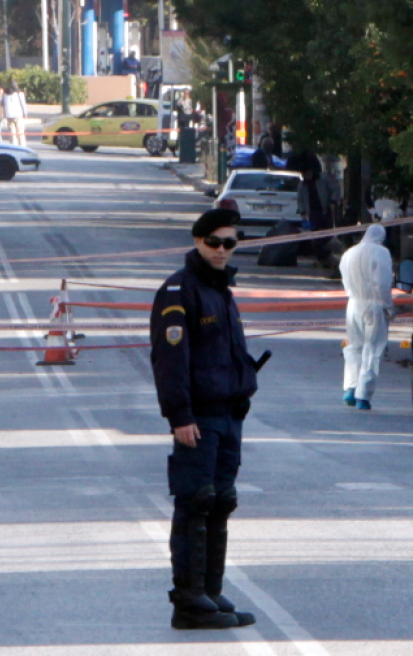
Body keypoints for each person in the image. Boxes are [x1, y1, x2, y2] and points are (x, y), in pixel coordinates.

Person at [150, 209, 260, 630]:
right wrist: (179, 415)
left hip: (229, 414)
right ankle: (189, 601)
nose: (221, 250)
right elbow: (170, 359)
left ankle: (212, 592)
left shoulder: (222, 290)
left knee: (221, 502)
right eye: (214, 242)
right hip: (199, 417)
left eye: (229, 243)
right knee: (195, 502)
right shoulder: (180, 290)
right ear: (198, 241)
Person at [339, 224, 394, 410]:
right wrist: (388, 306)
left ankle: (350, 388)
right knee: (372, 348)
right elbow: (382, 282)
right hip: (374, 305)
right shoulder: (381, 253)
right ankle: (363, 395)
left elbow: (345, 281)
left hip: (353, 304)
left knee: (354, 347)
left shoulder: (349, 253)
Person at [1, 81, 28, 146]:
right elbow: (23, 104)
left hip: (9, 115)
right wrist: (25, 114)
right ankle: (22, 145)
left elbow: (2, 104)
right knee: (20, 132)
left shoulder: (5, 94)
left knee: (12, 133)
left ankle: (13, 145)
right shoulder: (19, 93)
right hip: (18, 115)